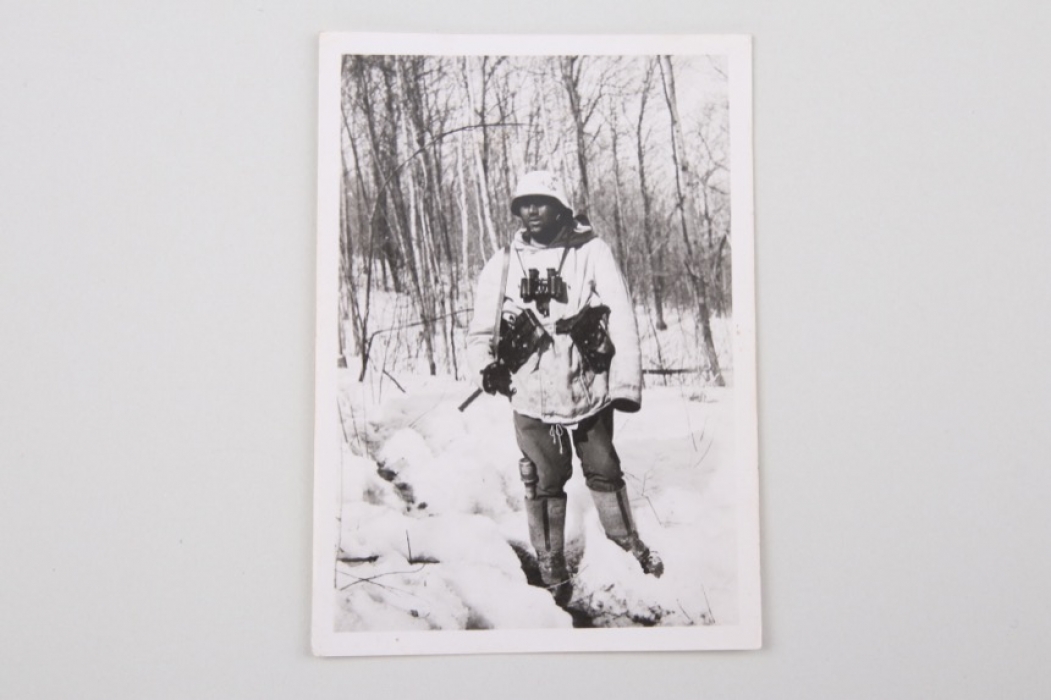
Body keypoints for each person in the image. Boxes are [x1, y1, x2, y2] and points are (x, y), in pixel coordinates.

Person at [466, 170, 663, 605]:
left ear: (560, 207)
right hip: (531, 392)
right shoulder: (502, 263)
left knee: (604, 468)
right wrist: (487, 368)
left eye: (542, 202)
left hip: (587, 385)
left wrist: (625, 385)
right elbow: (479, 333)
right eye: (524, 204)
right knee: (543, 478)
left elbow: (623, 319)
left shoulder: (590, 251)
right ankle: (550, 558)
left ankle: (624, 546)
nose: (532, 212)